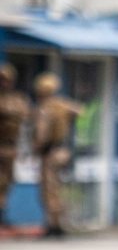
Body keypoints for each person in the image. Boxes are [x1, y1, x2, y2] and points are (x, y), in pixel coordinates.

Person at [32, 72, 82, 238]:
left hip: (50, 152)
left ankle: (54, 225)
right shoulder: (62, 104)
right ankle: (60, 223)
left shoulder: (45, 108)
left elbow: (42, 133)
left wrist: (36, 148)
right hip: (63, 151)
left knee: (49, 189)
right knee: (59, 188)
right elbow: (79, 110)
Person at [0, 63, 31, 228]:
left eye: (6, 80)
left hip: (10, 146)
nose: (4, 83)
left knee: (7, 181)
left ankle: (2, 213)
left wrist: (26, 150)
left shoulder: (18, 100)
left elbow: (26, 124)